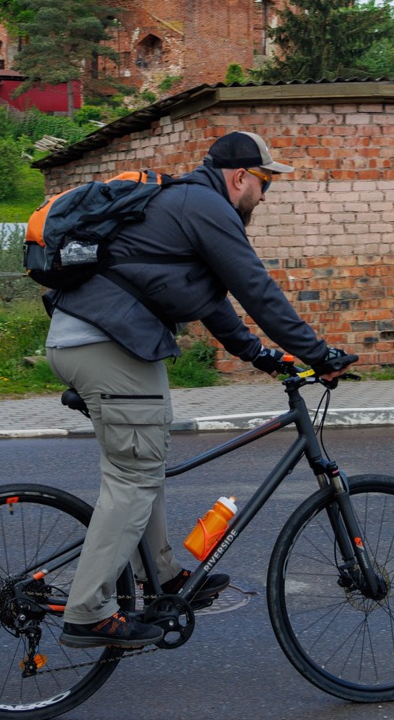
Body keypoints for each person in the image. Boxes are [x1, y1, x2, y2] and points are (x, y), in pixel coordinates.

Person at [45, 130, 354, 649]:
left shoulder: (188, 206)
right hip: (105, 346)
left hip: (108, 344)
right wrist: (318, 354)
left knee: (147, 463)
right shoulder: (207, 207)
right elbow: (256, 288)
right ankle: (87, 611)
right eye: (265, 183)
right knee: (135, 477)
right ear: (240, 178)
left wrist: (263, 356)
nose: (266, 195)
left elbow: (215, 305)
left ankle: (160, 577)